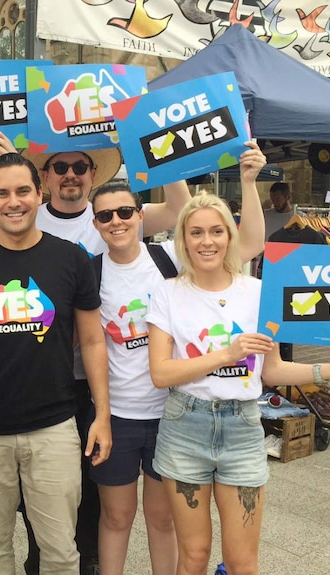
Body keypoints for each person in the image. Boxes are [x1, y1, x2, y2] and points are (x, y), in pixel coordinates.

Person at [0, 131, 191, 575]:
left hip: (104, 378)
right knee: (47, 490)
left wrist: (160, 142)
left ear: (92, 174)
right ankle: (43, 559)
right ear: (45, 178)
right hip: (52, 374)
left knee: (96, 492)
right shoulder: (28, 213)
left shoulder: (110, 215)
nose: (71, 175)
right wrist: (12, 164)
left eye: (80, 167)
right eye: (60, 167)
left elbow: (178, 210)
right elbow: (1, 226)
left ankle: (91, 563)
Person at [146, 192, 330, 575]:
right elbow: (160, 373)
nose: (207, 241)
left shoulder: (258, 292)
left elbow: (272, 372)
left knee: (243, 563)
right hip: (185, 426)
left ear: (231, 237)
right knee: (194, 556)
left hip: (243, 428)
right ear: (183, 239)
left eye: (217, 231)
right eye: (196, 232)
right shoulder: (167, 292)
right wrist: (225, 355)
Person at [89, 142, 268, 575]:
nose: (117, 221)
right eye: (106, 215)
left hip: (171, 414)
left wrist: (159, 148)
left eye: (126, 212)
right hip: (122, 413)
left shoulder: (167, 257)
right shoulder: (90, 272)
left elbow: (245, 241)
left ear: (140, 215)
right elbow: (92, 345)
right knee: (116, 517)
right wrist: (101, 413)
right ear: (95, 224)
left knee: (163, 520)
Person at [0, 152, 112, 574]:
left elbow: (92, 341)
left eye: (23, 190)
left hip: (54, 426)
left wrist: (102, 414)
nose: (13, 201)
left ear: (40, 194)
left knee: (60, 550)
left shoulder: (71, 259)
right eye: (2, 193)